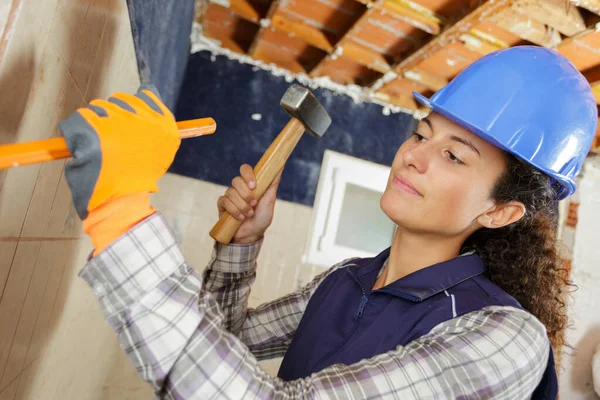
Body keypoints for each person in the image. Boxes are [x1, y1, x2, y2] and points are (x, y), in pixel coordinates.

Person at [59, 46, 596, 399]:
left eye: (455, 156)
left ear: (499, 211)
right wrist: (242, 245)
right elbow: (223, 344)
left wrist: (123, 211)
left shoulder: (505, 337)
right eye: (421, 133)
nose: (413, 156)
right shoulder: (346, 281)